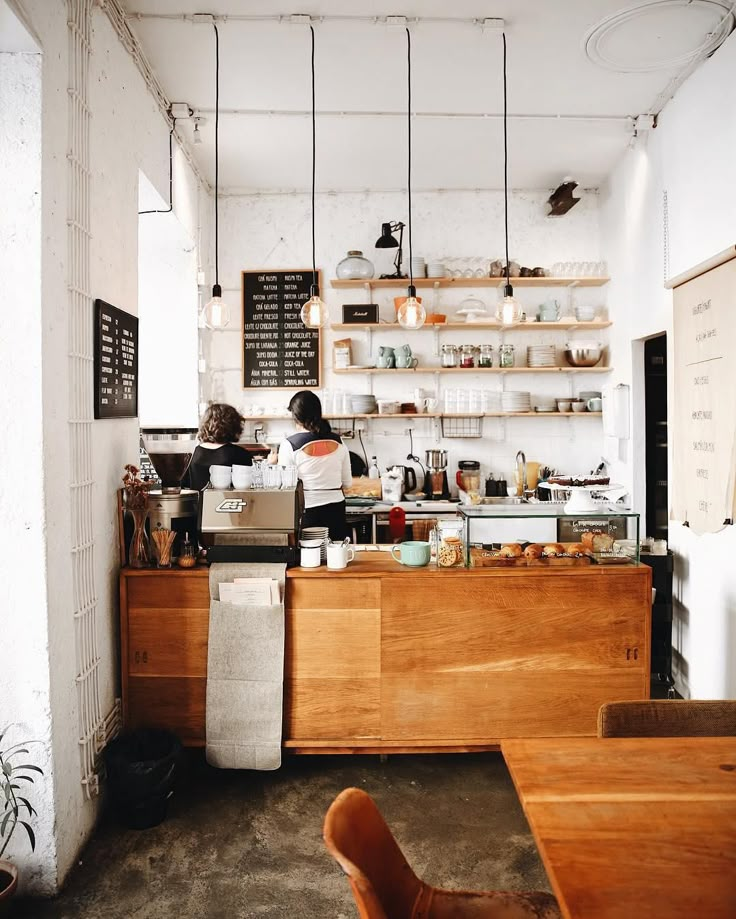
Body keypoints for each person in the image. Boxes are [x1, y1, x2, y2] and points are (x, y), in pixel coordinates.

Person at [270, 390, 352, 541]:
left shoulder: (290, 445)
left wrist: (272, 464)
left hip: (307, 511)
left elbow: (285, 485)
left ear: (296, 417)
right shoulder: (339, 442)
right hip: (336, 510)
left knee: (309, 560)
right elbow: (347, 483)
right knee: (336, 557)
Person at [188, 403, 252, 491]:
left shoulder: (190, 454)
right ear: (234, 426)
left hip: (197, 504)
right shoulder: (241, 454)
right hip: (230, 503)